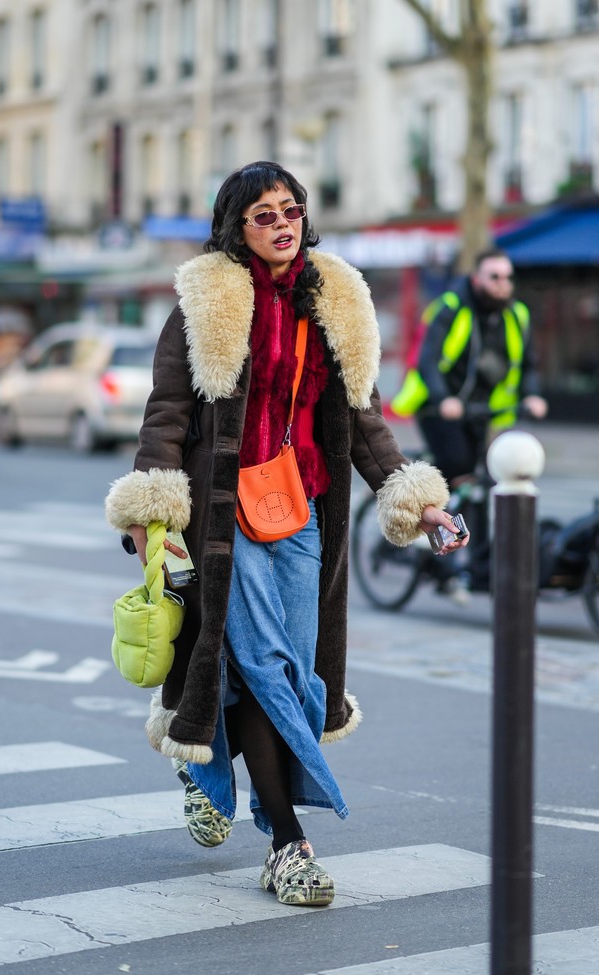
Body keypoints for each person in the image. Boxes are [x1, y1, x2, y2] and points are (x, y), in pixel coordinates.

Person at [105, 160, 467, 908]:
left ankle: (207, 768)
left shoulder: (336, 297)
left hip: (304, 516)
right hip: (222, 519)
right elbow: (168, 412)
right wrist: (151, 511)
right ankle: (287, 843)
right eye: (263, 213)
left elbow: (363, 419)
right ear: (235, 228)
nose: (282, 222)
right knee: (263, 667)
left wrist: (415, 498)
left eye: (290, 208)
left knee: (293, 678)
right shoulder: (204, 299)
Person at [392, 247, 547, 593]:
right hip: (437, 408)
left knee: (485, 482)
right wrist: (443, 399)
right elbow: (427, 362)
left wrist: (533, 395)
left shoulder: (517, 314)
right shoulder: (449, 308)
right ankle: (442, 556)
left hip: (480, 412)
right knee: (461, 472)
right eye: (494, 277)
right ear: (477, 278)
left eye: (508, 278)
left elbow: (529, 365)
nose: (503, 284)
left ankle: (478, 566)